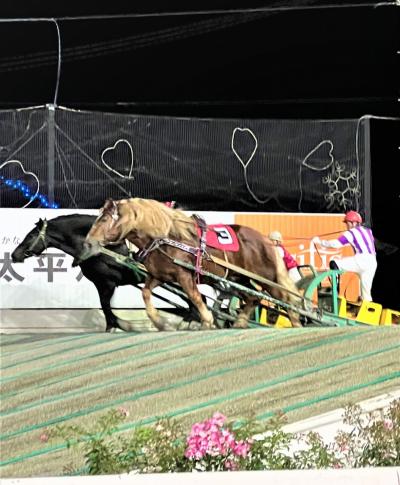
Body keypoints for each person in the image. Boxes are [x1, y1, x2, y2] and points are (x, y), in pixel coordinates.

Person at [312, 210, 377, 302]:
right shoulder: (368, 231)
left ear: (354, 223)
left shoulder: (351, 232)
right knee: (366, 295)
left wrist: (319, 242)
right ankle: (368, 314)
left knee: (334, 263)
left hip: (362, 260)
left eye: (347, 223)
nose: (347, 226)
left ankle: (335, 292)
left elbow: (336, 244)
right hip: (372, 262)